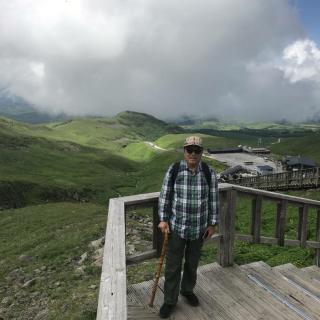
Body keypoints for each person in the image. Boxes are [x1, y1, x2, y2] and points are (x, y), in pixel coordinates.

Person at [158, 136, 219, 318]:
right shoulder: (175, 169)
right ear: (184, 152)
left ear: (201, 153)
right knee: (173, 266)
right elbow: (165, 195)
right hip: (177, 228)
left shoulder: (209, 172)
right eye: (189, 150)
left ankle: (187, 290)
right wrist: (163, 219)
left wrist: (212, 223)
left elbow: (213, 199)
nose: (193, 153)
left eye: (196, 150)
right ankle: (169, 301)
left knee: (192, 264)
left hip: (199, 229)